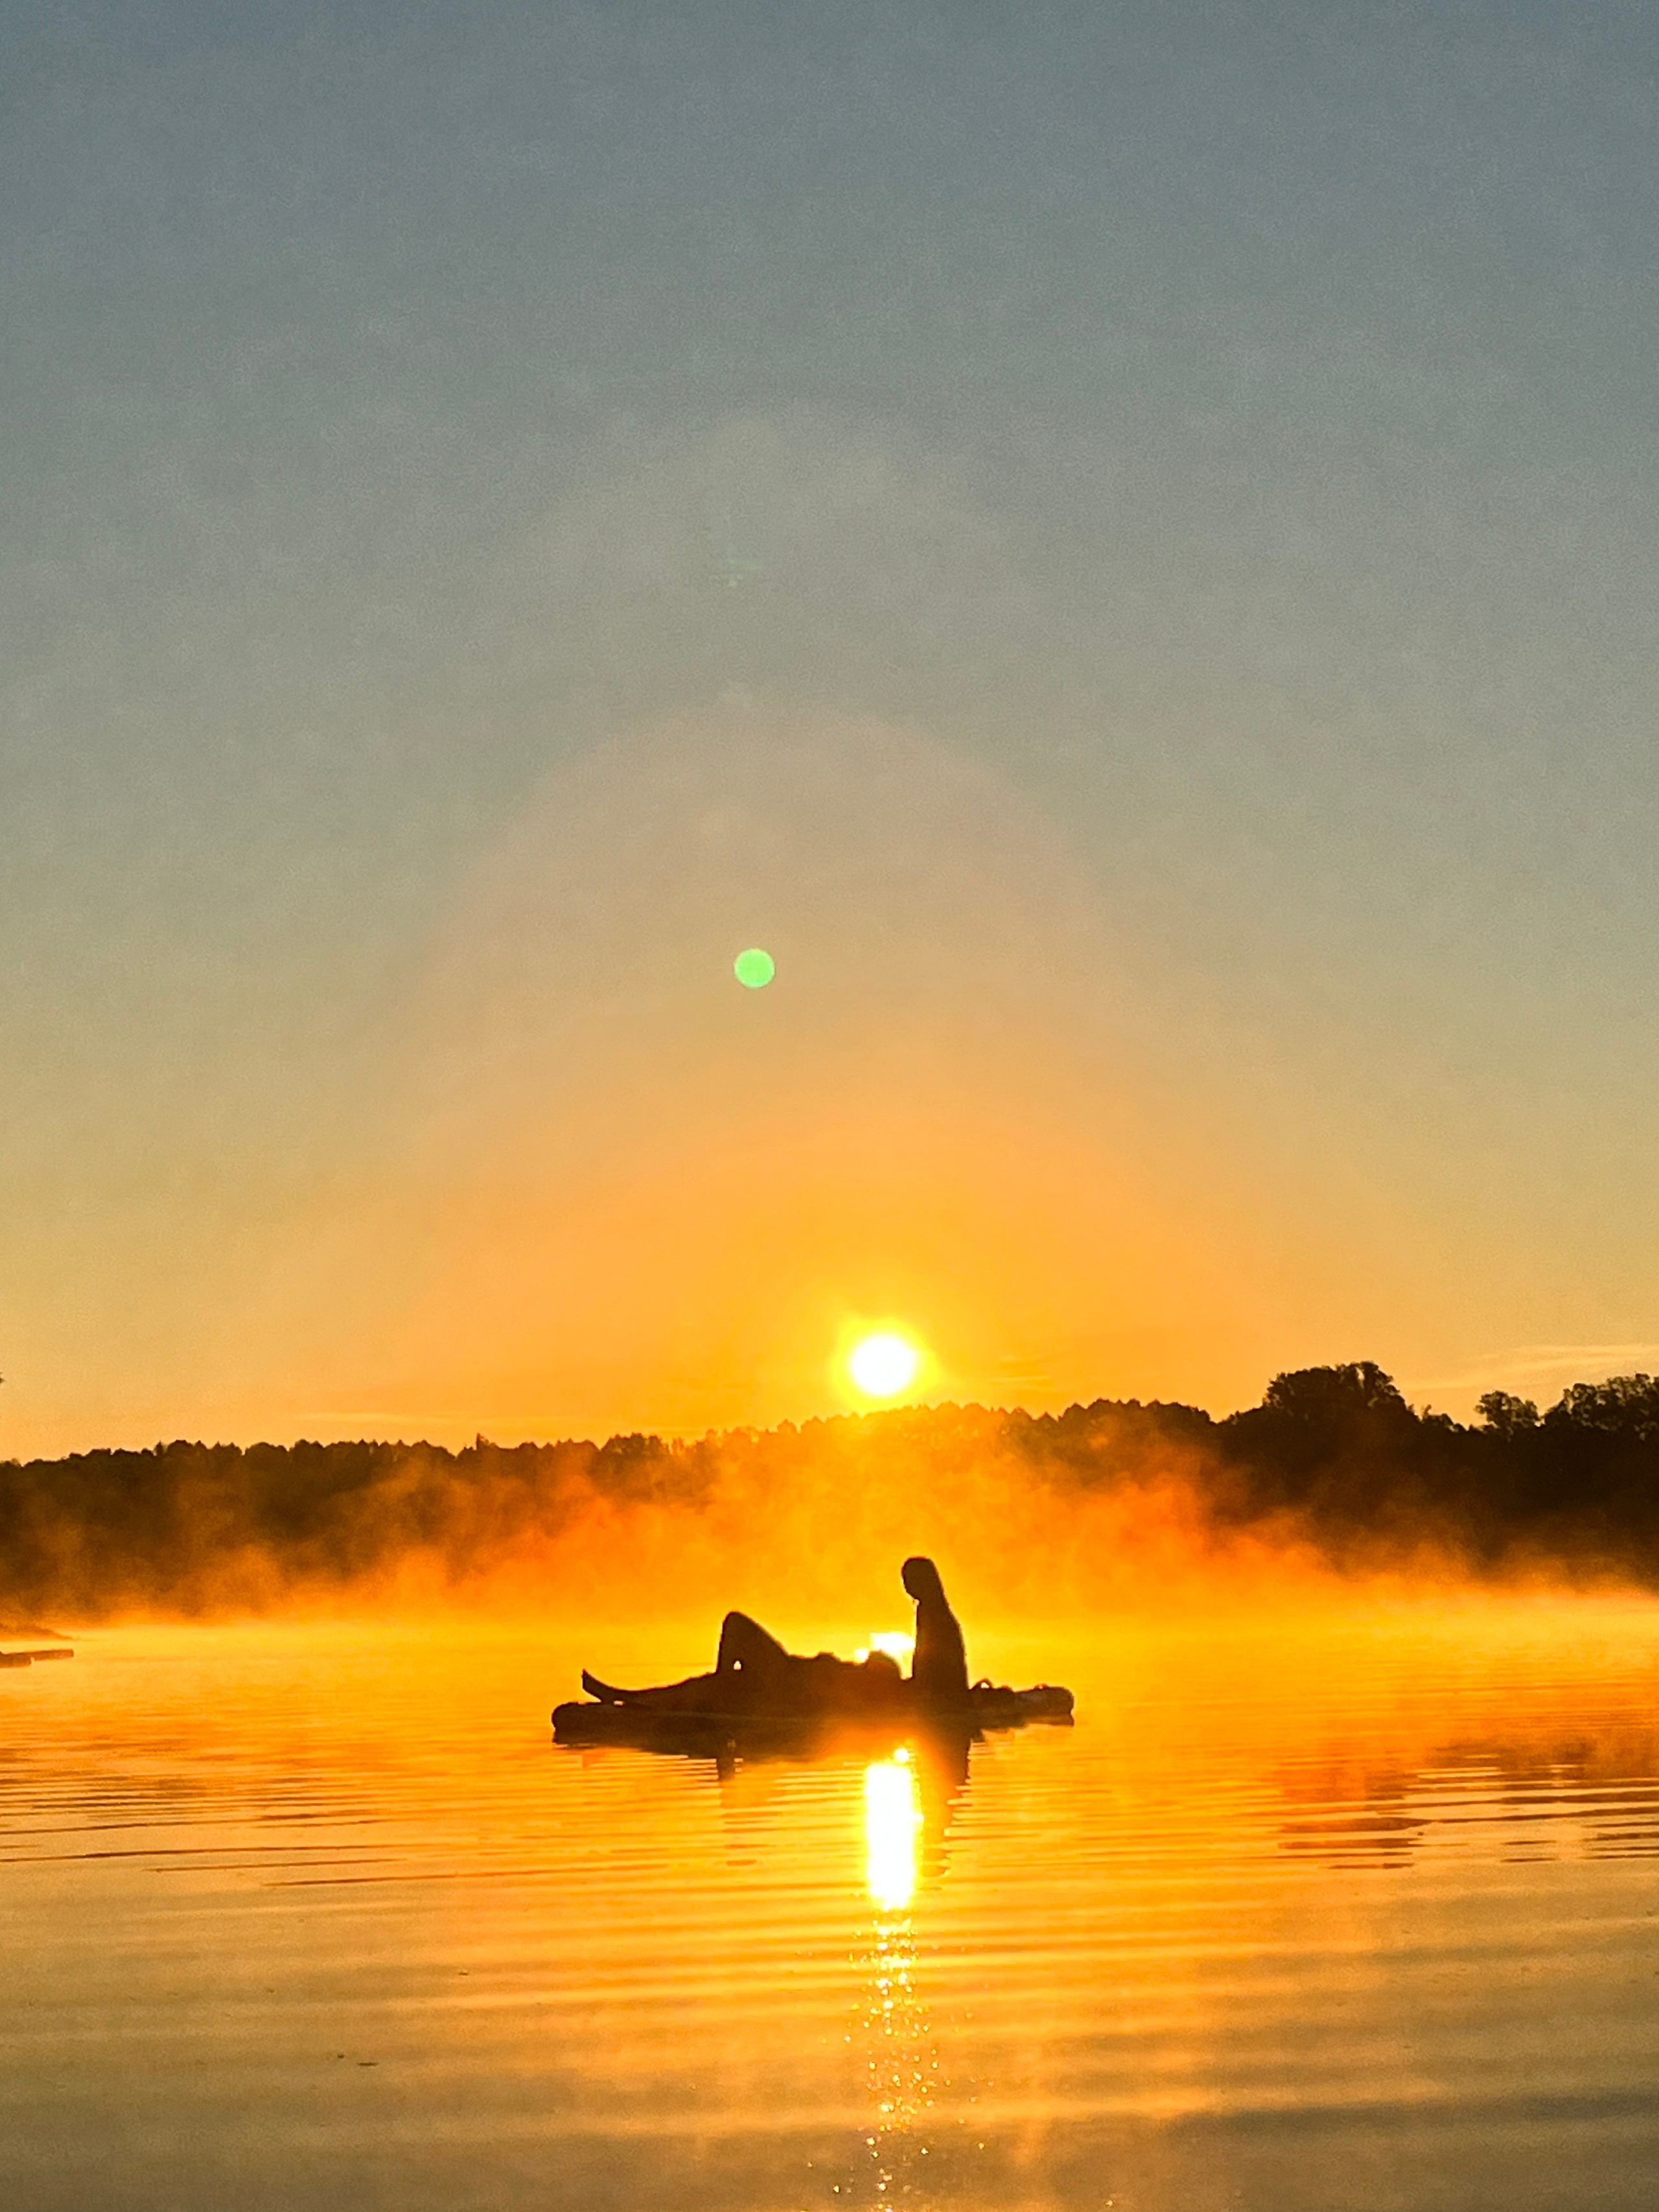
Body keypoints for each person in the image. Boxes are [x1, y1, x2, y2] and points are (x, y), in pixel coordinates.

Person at [583, 1609, 904, 1718]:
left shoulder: (850, 1692)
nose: (866, 1659)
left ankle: (624, 1697)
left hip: (778, 1681)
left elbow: (822, 1707)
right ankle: (625, 1696)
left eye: (872, 1662)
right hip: (778, 1673)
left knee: (734, 1625)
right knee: (697, 1686)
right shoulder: (848, 1676)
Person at [902, 1555, 971, 1710]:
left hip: (942, 1692)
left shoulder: (933, 1612)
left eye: (909, 1580)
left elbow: (930, 1657)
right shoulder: (929, 1608)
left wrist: (919, 1689)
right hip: (934, 1689)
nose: (906, 1586)